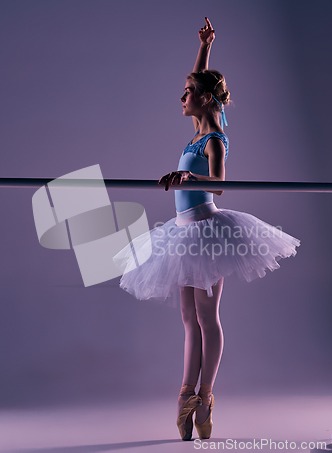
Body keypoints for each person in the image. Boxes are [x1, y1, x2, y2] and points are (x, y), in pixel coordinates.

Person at [113, 18, 300, 441]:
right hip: (183, 234)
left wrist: (186, 180)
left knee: (206, 315)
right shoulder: (196, 134)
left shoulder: (214, 139)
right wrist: (204, 48)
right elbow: (199, 83)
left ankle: (206, 395)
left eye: (188, 93)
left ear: (205, 99)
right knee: (187, 317)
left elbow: (219, 185)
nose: (182, 97)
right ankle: (185, 395)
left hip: (208, 232)